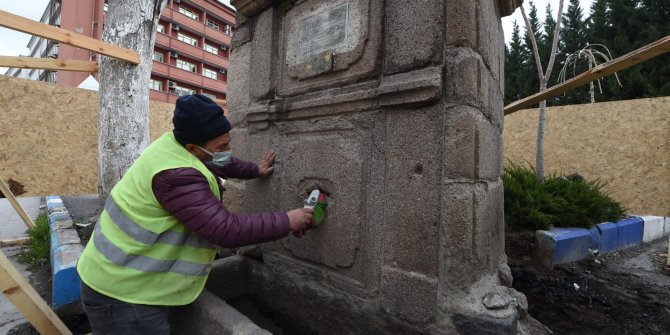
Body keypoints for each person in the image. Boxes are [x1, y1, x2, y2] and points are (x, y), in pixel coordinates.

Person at [76, 94, 313, 334]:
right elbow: (225, 230)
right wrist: (287, 220)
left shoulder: (178, 146)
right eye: (222, 146)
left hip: (126, 277)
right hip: (123, 295)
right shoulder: (175, 175)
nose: (228, 150)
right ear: (193, 148)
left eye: (228, 142)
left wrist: (256, 170)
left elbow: (220, 162)